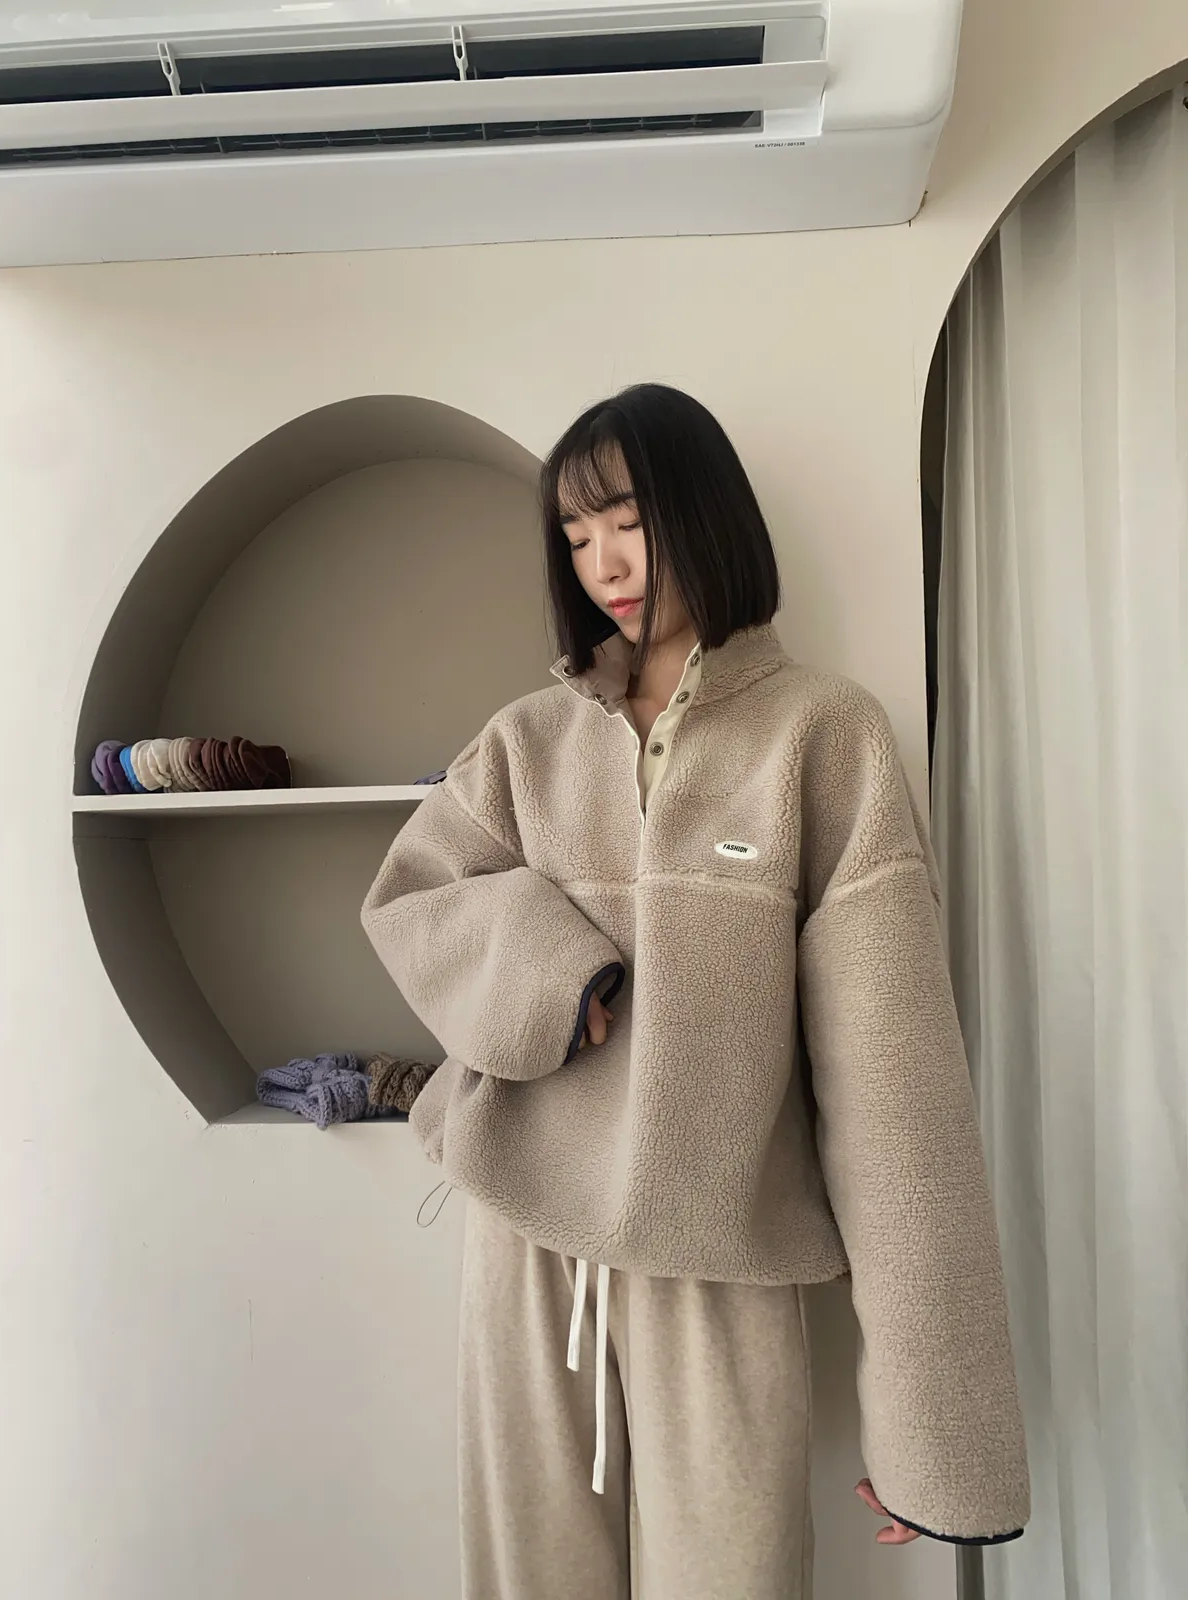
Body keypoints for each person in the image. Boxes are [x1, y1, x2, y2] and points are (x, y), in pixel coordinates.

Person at [362, 384, 1029, 1600]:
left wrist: (932, 1439)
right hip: (528, 1245)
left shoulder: (824, 736)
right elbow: (412, 897)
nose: (604, 564)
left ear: (704, 510)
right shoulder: (525, 741)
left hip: (723, 1260)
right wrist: (555, 974)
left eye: (627, 520)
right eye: (576, 535)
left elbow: (896, 1092)